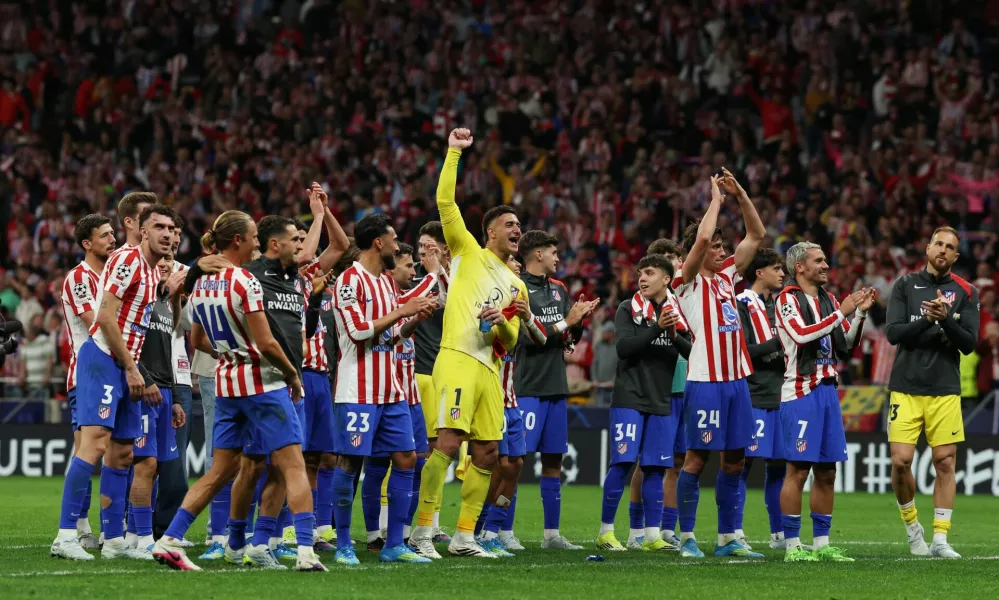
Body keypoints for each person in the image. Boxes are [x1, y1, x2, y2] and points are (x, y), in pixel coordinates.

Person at [152, 210, 325, 572]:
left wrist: (231, 354)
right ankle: (307, 551)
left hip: (227, 382)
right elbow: (267, 343)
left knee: (220, 470)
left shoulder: (200, 284)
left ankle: (171, 539)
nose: (257, 246)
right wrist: (292, 374)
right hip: (263, 383)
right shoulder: (245, 282)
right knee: (294, 467)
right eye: (254, 240)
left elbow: (197, 340)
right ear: (238, 241)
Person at [408, 128, 530, 560]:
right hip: (457, 357)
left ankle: (464, 536)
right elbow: (445, 201)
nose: (518, 230)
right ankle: (422, 531)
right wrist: (454, 152)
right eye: (510, 225)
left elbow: (513, 340)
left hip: (490, 370)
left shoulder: (518, 284)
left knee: (488, 451)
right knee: (447, 440)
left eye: (519, 225)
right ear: (490, 232)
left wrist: (501, 324)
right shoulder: (465, 250)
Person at [51, 203, 177, 561]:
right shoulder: (127, 261)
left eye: (171, 228)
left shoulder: (154, 273)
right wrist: (132, 368)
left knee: (123, 453)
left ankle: (114, 540)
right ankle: (65, 535)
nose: (167, 234)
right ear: (141, 229)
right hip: (105, 360)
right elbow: (105, 318)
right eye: (159, 227)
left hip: (126, 365)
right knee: (92, 446)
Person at [329, 213, 436, 566]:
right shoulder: (349, 281)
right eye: (392, 240)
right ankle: (344, 543)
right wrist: (404, 309)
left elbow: (388, 336)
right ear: (378, 242)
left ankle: (393, 545)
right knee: (351, 462)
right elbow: (359, 331)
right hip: (357, 389)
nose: (396, 245)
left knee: (406, 459)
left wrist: (412, 320)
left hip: (391, 390)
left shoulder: (387, 284)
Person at [672, 169, 765, 559]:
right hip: (705, 380)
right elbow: (705, 236)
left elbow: (757, 235)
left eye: (725, 246)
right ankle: (688, 537)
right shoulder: (686, 280)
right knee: (696, 458)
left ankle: (729, 538)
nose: (722, 250)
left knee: (735, 460)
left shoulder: (728, 278)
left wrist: (741, 194)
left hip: (736, 381)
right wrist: (715, 200)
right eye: (716, 247)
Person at [774, 241, 873, 563]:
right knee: (798, 470)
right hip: (801, 392)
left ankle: (821, 544)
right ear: (799, 267)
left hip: (828, 392)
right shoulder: (787, 299)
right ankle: (792, 546)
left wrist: (858, 314)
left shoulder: (829, 299)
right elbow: (802, 335)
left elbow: (845, 342)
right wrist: (841, 312)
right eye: (818, 261)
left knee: (827, 471)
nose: (826, 265)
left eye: (826, 260)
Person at [885, 226, 980, 559]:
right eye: (938, 243)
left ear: (955, 256)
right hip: (906, 387)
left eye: (949, 246)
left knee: (944, 461)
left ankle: (940, 539)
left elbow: (969, 343)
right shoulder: (905, 285)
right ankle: (914, 531)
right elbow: (894, 333)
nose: (942, 249)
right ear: (927, 248)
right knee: (901, 462)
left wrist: (946, 321)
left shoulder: (966, 291)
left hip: (944, 389)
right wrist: (929, 319)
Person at [596, 254, 689, 552]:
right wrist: (657, 328)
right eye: (640, 273)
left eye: (649, 272)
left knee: (655, 468)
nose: (642, 278)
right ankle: (606, 532)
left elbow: (691, 351)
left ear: (667, 278)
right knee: (623, 462)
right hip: (630, 397)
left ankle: (651, 536)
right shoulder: (628, 308)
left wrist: (672, 334)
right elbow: (624, 348)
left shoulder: (678, 312)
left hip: (660, 399)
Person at [513, 230, 597, 550]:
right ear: (537, 255)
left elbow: (564, 341)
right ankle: (501, 531)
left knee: (553, 460)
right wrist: (567, 322)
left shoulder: (560, 290)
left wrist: (576, 324)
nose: (558, 258)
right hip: (526, 386)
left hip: (555, 386)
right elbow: (528, 338)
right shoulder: (517, 288)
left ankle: (552, 535)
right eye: (553, 252)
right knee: (515, 460)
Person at [281, 184, 350, 551]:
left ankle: (318, 528)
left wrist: (325, 209)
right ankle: (283, 529)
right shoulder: (271, 277)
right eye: (294, 239)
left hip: (320, 374)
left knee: (322, 456)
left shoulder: (307, 277)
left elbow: (339, 247)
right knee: (289, 457)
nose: (301, 246)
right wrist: (317, 215)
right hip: (294, 373)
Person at [366, 242, 441, 549]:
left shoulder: (398, 302)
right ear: (391, 268)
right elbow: (405, 302)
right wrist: (433, 275)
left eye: (415, 266)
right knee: (375, 466)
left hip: (409, 396)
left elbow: (399, 331)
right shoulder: (384, 294)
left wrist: (415, 321)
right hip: (382, 395)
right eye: (408, 266)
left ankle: (402, 533)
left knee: (416, 462)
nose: (413, 271)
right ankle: (373, 534)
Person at [476, 254, 548, 556]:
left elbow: (543, 339)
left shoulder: (520, 313)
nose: (518, 273)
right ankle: (476, 529)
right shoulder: (488, 304)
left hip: (511, 400)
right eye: (513, 269)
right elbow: (482, 339)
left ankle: (491, 530)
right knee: (496, 466)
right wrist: (498, 320)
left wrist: (528, 315)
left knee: (515, 464)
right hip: (490, 397)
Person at [626, 238, 689, 549]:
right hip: (657, 389)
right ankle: (636, 529)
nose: (671, 263)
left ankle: (666, 528)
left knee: (676, 461)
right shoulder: (642, 304)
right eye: (662, 258)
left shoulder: (682, 299)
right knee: (647, 462)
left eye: (673, 257)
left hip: (685, 385)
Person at [57, 214, 115, 551]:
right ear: (86, 244)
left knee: (107, 450)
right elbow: (97, 323)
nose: (112, 240)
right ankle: (77, 528)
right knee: (87, 450)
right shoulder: (79, 278)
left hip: (111, 371)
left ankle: (101, 528)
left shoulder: (109, 277)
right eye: (104, 236)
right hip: (86, 373)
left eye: (113, 234)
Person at [125, 253, 187, 556]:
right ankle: (140, 535)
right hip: (146, 390)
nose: (165, 268)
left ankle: (135, 532)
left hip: (164, 390)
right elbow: (129, 344)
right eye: (159, 265)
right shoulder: (143, 298)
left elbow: (167, 352)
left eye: (170, 265)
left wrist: (175, 398)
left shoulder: (163, 302)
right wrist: (146, 379)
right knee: (144, 465)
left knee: (158, 467)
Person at [736, 248, 788, 550]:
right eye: (776, 268)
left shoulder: (782, 305)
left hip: (781, 394)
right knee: (742, 465)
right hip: (753, 393)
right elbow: (742, 349)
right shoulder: (742, 304)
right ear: (759, 273)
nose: (782, 274)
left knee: (779, 465)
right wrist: (774, 346)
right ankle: (735, 531)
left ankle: (779, 535)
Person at [412, 221, 454, 543]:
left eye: (430, 248)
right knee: (409, 454)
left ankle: (433, 522)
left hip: (446, 375)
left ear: (445, 250)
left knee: (441, 452)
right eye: (421, 247)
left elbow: (459, 308)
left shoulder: (456, 282)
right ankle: (389, 526)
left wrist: (440, 271)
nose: (423, 253)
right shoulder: (413, 282)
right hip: (415, 374)